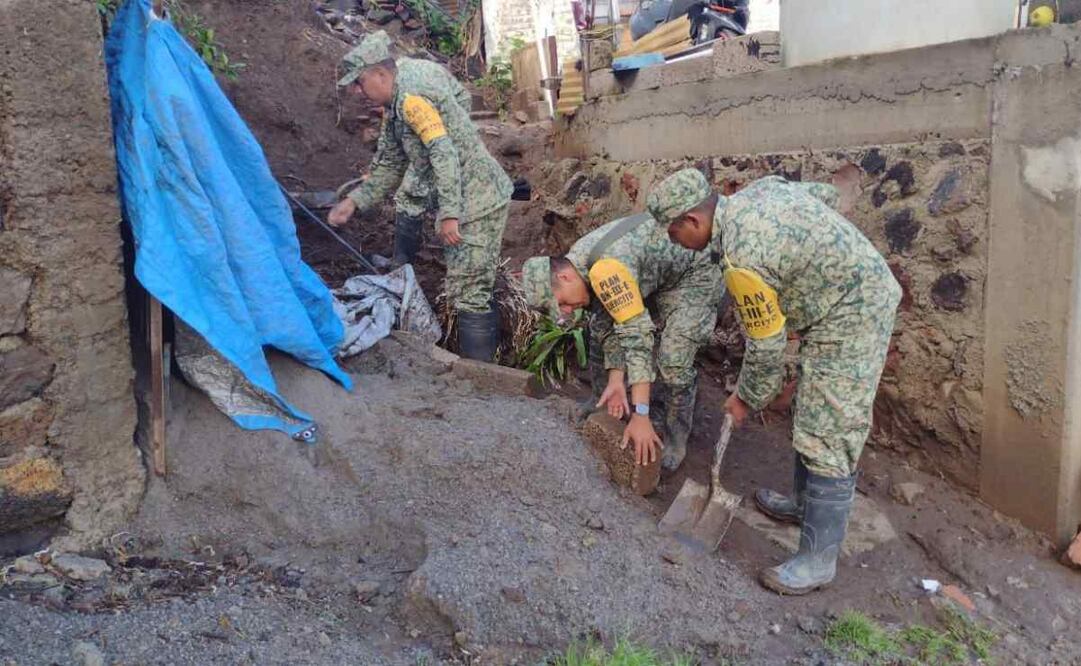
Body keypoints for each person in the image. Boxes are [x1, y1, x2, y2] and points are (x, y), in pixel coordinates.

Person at [649, 168, 900, 595]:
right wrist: (811, 269)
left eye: (675, 236)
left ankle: (817, 562)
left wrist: (746, 397)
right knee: (810, 409)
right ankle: (804, 505)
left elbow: (766, 347)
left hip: (853, 314)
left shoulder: (743, 260)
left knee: (830, 426)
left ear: (693, 221)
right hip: (840, 300)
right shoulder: (759, 191)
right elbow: (823, 196)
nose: (678, 246)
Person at [328, 31, 512, 361]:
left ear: (381, 74)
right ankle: (483, 367)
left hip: (478, 198)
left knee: (469, 291)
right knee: (467, 286)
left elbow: (444, 153)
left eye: (360, 82)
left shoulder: (412, 99)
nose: (358, 91)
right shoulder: (396, 100)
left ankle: (484, 378)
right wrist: (354, 201)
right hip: (464, 195)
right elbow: (391, 162)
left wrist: (450, 213)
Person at [519, 212, 723, 471]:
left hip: (694, 271)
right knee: (598, 329)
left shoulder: (608, 269)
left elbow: (636, 337)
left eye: (562, 302)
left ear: (564, 277)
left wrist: (641, 413)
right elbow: (610, 324)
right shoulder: (579, 264)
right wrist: (616, 379)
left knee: (674, 359)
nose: (566, 311)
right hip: (650, 269)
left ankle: (675, 436)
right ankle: (602, 398)